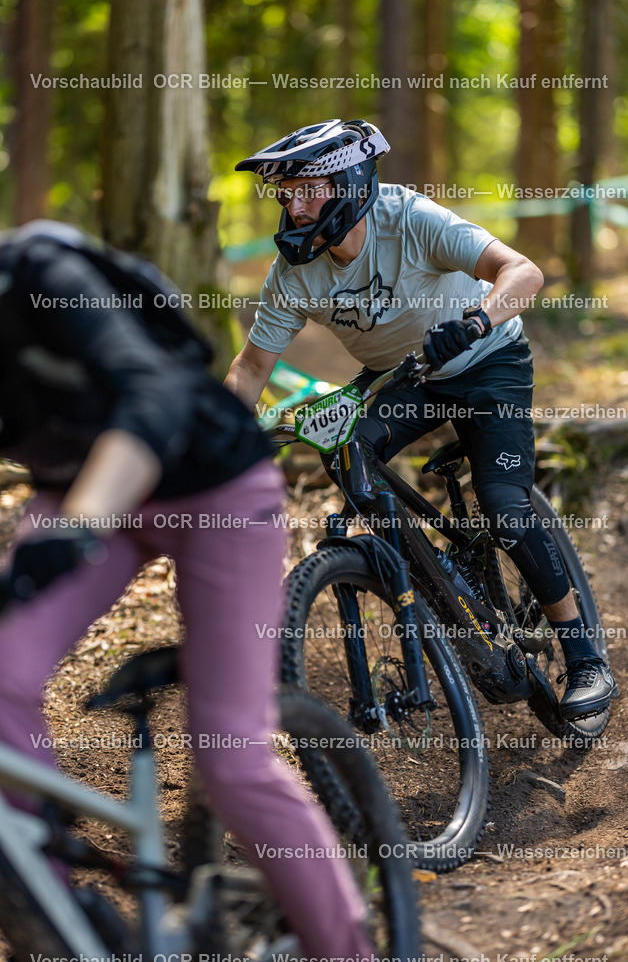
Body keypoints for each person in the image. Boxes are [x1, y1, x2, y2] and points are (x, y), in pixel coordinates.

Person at [0, 220, 374, 958]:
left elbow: (156, 386)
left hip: (214, 489)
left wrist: (82, 525)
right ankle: (57, 915)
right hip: (78, 494)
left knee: (231, 756)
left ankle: (348, 948)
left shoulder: (38, 274)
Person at [226, 118, 619, 721]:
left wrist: (478, 320)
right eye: (285, 192)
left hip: (487, 361)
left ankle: (585, 656)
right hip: (404, 377)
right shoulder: (294, 271)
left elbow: (524, 273)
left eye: (307, 188)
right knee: (347, 451)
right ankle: (432, 589)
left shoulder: (409, 219)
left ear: (351, 181)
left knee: (504, 505)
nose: (293, 205)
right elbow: (251, 368)